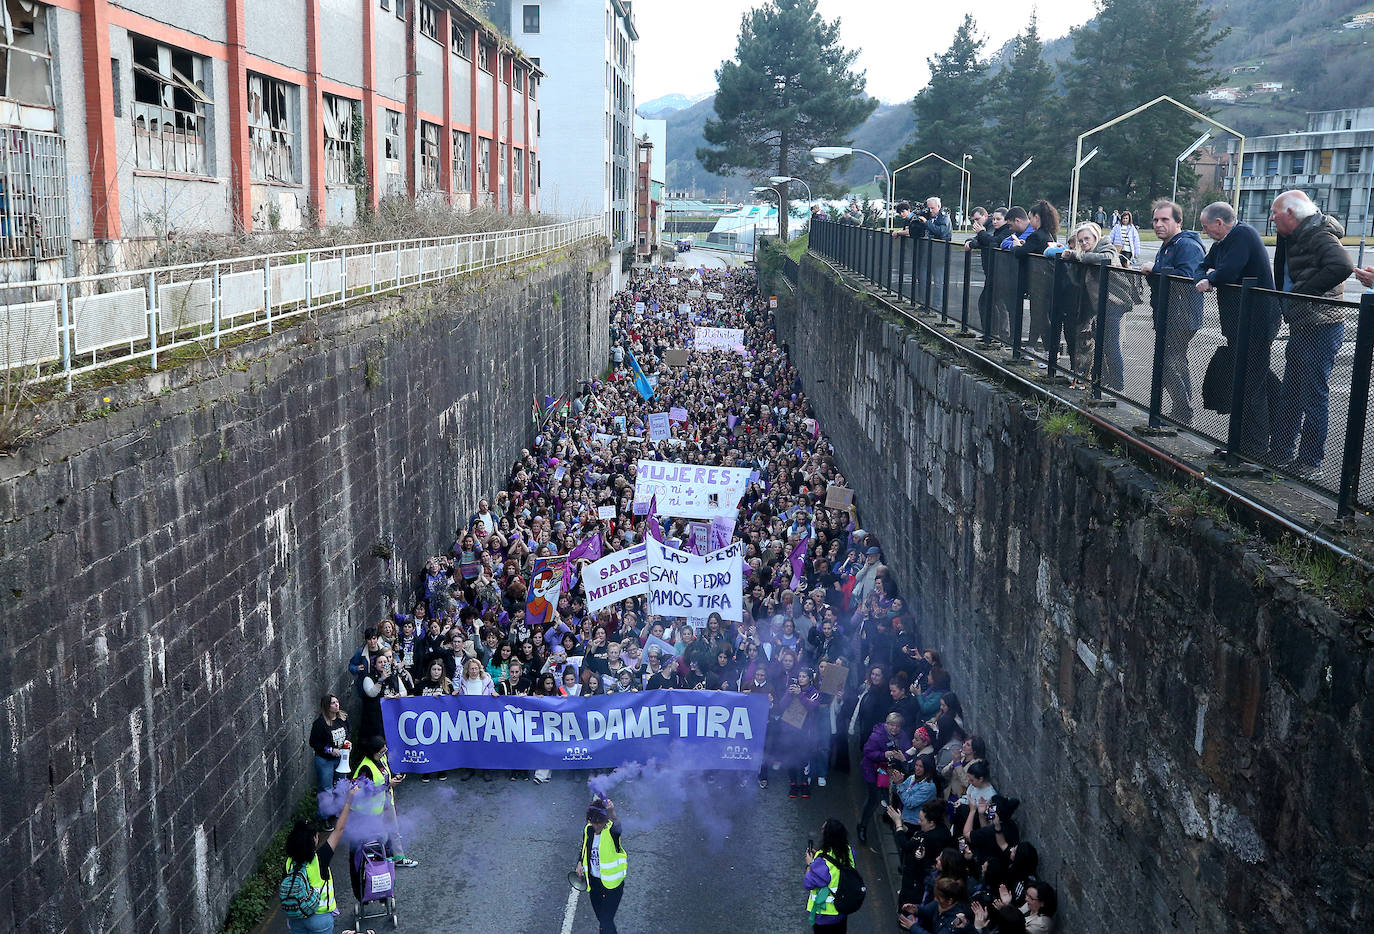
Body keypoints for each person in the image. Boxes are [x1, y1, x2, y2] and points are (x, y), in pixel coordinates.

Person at [1268, 189, 1356, 475]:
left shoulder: (1318, 234)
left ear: (1291, 214)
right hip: (1304, 323)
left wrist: (1302, 293)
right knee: (1292, 391)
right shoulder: (1294, 235)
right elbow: (1281, 268)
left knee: (1312, 393)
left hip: (1322, 325)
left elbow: (1342, 265)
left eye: (1275, 214)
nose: (1271, 219)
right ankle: (1281, 452)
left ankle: (1309, 461)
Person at [1195, 201, 1279, 456]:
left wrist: (1212, 276)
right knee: (1248, 380)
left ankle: (1254, 448)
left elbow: (1228, 272)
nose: (1205, 232)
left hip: (1256, 322)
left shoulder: (1242, 235)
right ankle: (1244, 442)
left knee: (1252, 384)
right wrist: (1208, 274)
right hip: (1239, 323)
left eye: (1205, 227)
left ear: (1219, 223)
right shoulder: (1222, 242)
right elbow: (1203, 265)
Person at [1140, 200, 1205, 424]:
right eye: (1156, 220)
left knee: (1168, 364)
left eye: (1164, 219)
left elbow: (1188, 277)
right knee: (1175, 363)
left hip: (1181, 315)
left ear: (1178, 222)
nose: (1158, 224)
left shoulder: (1186, 245)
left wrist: (1155, 269)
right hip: (1168, 313)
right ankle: (1182, 413)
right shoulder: (1168, 245)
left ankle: (1183, 414)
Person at [281, 786, 356, 933]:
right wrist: (349, 801)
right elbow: (339, 829)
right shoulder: (321, 857)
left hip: (296, 918)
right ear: (314, 839)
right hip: (320, 918)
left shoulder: (288, 863)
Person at [350, 734, 418, 867]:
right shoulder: (365, 768)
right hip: (371, 808)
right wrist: (388, 785)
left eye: (385, 750)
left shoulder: (381, 758)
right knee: (377, 835)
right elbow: (361, 792)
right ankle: (378, 863)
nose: (384, 753)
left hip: (385, 800)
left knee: (393, 829)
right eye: (382, 751)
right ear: (373, 752)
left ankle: (398, 858)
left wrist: (394, 777)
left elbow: (384, 774)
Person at [575, 796, 627, 934]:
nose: (596, 826)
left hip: (612, 886)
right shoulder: (589, 830)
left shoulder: (611, 832)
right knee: (603, 920)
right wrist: (579, 862)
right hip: (594, 884)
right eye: (593, 822)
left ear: (605, 820)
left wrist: (612, 812)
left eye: (599, 822)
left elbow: (617, 825)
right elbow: (584, 847)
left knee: (605, 923)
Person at [804, 818, 856, 931]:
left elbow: (808, 883)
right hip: (842, 909)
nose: (821, 831)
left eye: (823, 830)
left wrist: (810, 864)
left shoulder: (822, 860)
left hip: (825, 914)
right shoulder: (849, 851)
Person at [308, 694, 349, 824]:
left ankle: (336, 812)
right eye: (333, 703)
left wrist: (348, 741)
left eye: (337, 702)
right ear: (326, 706)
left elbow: (349, 732)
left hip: (341, 759)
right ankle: (324, 817)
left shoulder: (343, 718)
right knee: (326, 790)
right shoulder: (319, 724)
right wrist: (330, 750)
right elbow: (314, 743)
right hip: (324, 760)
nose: (337, 704)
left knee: (340, 786)